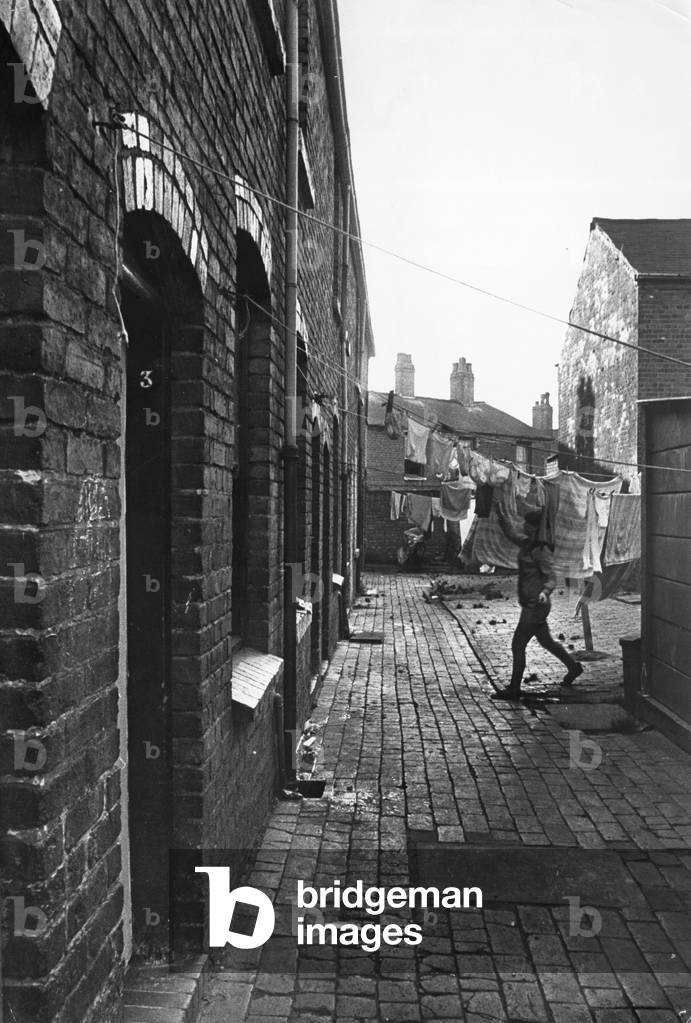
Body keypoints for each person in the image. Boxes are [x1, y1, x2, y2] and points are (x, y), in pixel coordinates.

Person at [491, 508, 583, 700]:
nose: (524, 525)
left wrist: (544, 592)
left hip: (536, 605)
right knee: (546, 641)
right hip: (531, 603)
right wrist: (501, 517)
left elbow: (551, 577)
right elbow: (511, 534)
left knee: (518, 644)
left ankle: (514, 688)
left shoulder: (542, 551)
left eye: (527, 523)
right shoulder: (527, 544)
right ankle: (573, 667)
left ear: (535, 527)